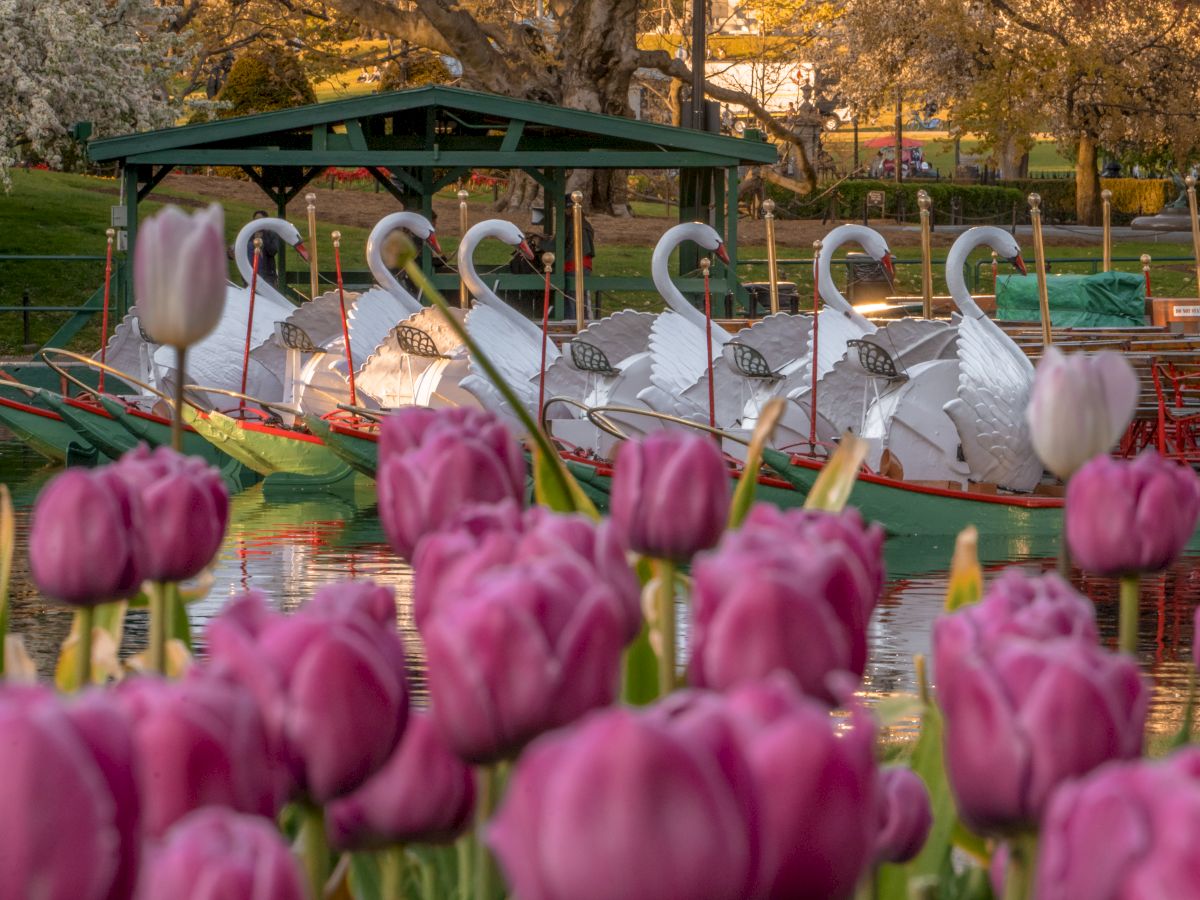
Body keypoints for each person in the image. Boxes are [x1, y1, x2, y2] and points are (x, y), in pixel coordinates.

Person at [563, 194, 595, 320]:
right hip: (581, 265)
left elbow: (559, 243)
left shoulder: (572, 223)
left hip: (574, 266)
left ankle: (575, 323)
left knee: (574, 298)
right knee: (577, 298)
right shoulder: (585, 224)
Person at [245, 210, 281, 288]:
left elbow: (272, 251)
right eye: (255, 220)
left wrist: (262, 239)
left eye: (260, 220)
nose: (257, 222)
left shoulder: (272, 234)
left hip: (267, 276)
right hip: (249, 276)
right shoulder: (247, 234)